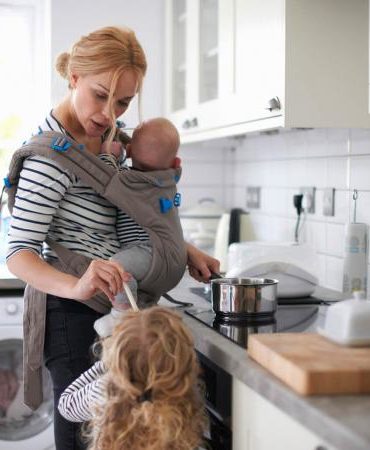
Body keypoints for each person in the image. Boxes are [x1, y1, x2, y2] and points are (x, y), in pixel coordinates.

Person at [5, 26, 219, 450]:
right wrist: (76, 283)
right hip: (73, 313)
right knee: (86, 437)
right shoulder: (50, 159)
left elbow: (124, 219)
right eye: (100, 95)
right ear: (74, 78)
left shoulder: (110, 143)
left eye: (123, 102)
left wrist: (182, 249)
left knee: (123, 435)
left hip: (117, 308)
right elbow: (18, 253)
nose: (108, 113)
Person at [58, 306, 208, 450]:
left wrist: (105, 364)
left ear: (118, 357)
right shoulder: (182, 403)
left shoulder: (105, 390)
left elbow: (66, 405)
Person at [94, 116, 183, 338]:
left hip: (146, 251)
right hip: (172, 258)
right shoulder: (169, 180)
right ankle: (141, 311)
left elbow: (104, 179)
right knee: (134, 283)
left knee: (116, 268)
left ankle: (120, 317)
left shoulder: (128, 180)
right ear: (175, 163)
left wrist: (108, 155)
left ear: (130, 150)